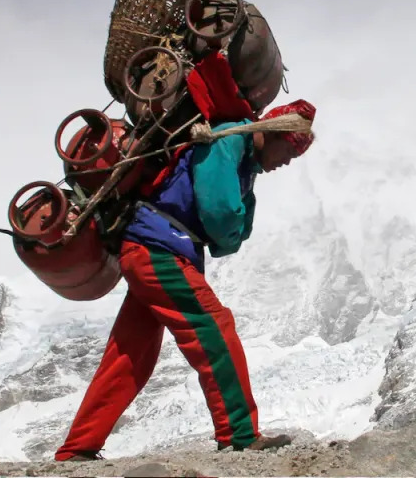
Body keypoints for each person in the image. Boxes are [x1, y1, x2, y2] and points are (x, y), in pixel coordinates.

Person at [54, 99, 317, 462]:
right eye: (290, 150)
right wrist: (234, 233)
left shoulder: (240, 155)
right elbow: (220, 212)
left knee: (130, 354)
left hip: (150, 247)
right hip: (161, 250)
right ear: (274, 134)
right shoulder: (228, 142)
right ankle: (239, 434)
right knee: (214, 329)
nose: (287, 161)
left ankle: (78, 448)